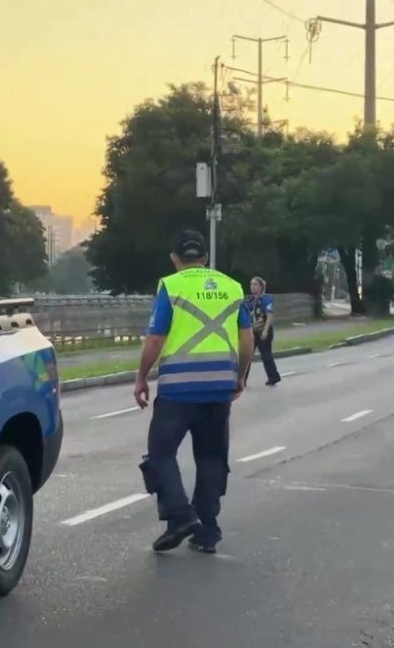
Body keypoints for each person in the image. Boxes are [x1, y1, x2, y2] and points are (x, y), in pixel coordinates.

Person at [134, 230, 254, 554]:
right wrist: (240, 375)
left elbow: (156, 338)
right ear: (205, 258)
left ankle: (180, 514)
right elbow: (246, 338)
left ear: (174, 258)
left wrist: (141, 377)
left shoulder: (170, 286)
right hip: (219, 388)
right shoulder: (231, 287)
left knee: (160, 452)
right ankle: (207, 531)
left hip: (178, 388)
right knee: (212, 456)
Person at [244, 276, 281, 386]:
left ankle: (273, 376)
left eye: (255, 284)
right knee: (247, 355)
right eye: (251, 284)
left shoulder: (266, 299)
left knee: (266, 355)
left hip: (263, 331)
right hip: (253, 331)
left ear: (261, 286)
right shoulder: (250, 300)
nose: (252, 287)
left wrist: (265, 331)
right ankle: (242, 379)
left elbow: (269, 315)